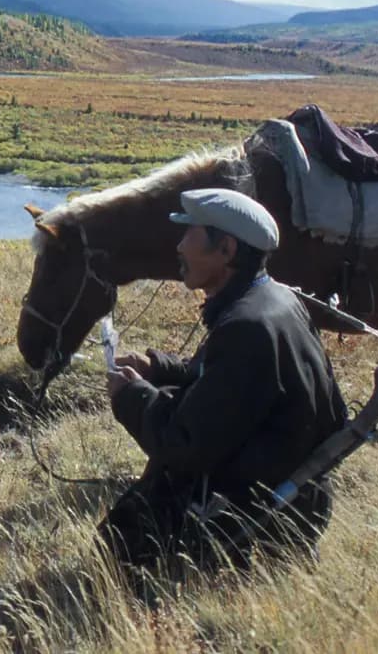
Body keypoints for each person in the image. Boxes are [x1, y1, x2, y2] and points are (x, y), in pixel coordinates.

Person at [99, 187, 349, 594]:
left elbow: (184, 444)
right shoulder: (271, 299)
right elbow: (214, 374)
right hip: (294, 493)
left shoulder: (244, 327)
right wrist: (155, 368)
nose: (178, 246)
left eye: (190, 235)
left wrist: (129, 396)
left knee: (111, 553)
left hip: (258, 511)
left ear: (227, 249)